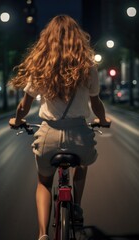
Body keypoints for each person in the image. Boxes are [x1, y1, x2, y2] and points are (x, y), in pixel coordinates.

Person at [9, 15, 111, 240]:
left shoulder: (41, 66)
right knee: (82, 164)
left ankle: (42, 234)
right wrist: (103, 120)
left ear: (48, 38)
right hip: (80, 136)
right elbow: (96, 104)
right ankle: (76, 207)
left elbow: (24, 107)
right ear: (77, 38)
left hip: (49, 136)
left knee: (44, 182)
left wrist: (17, 120)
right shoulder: (88, 66)